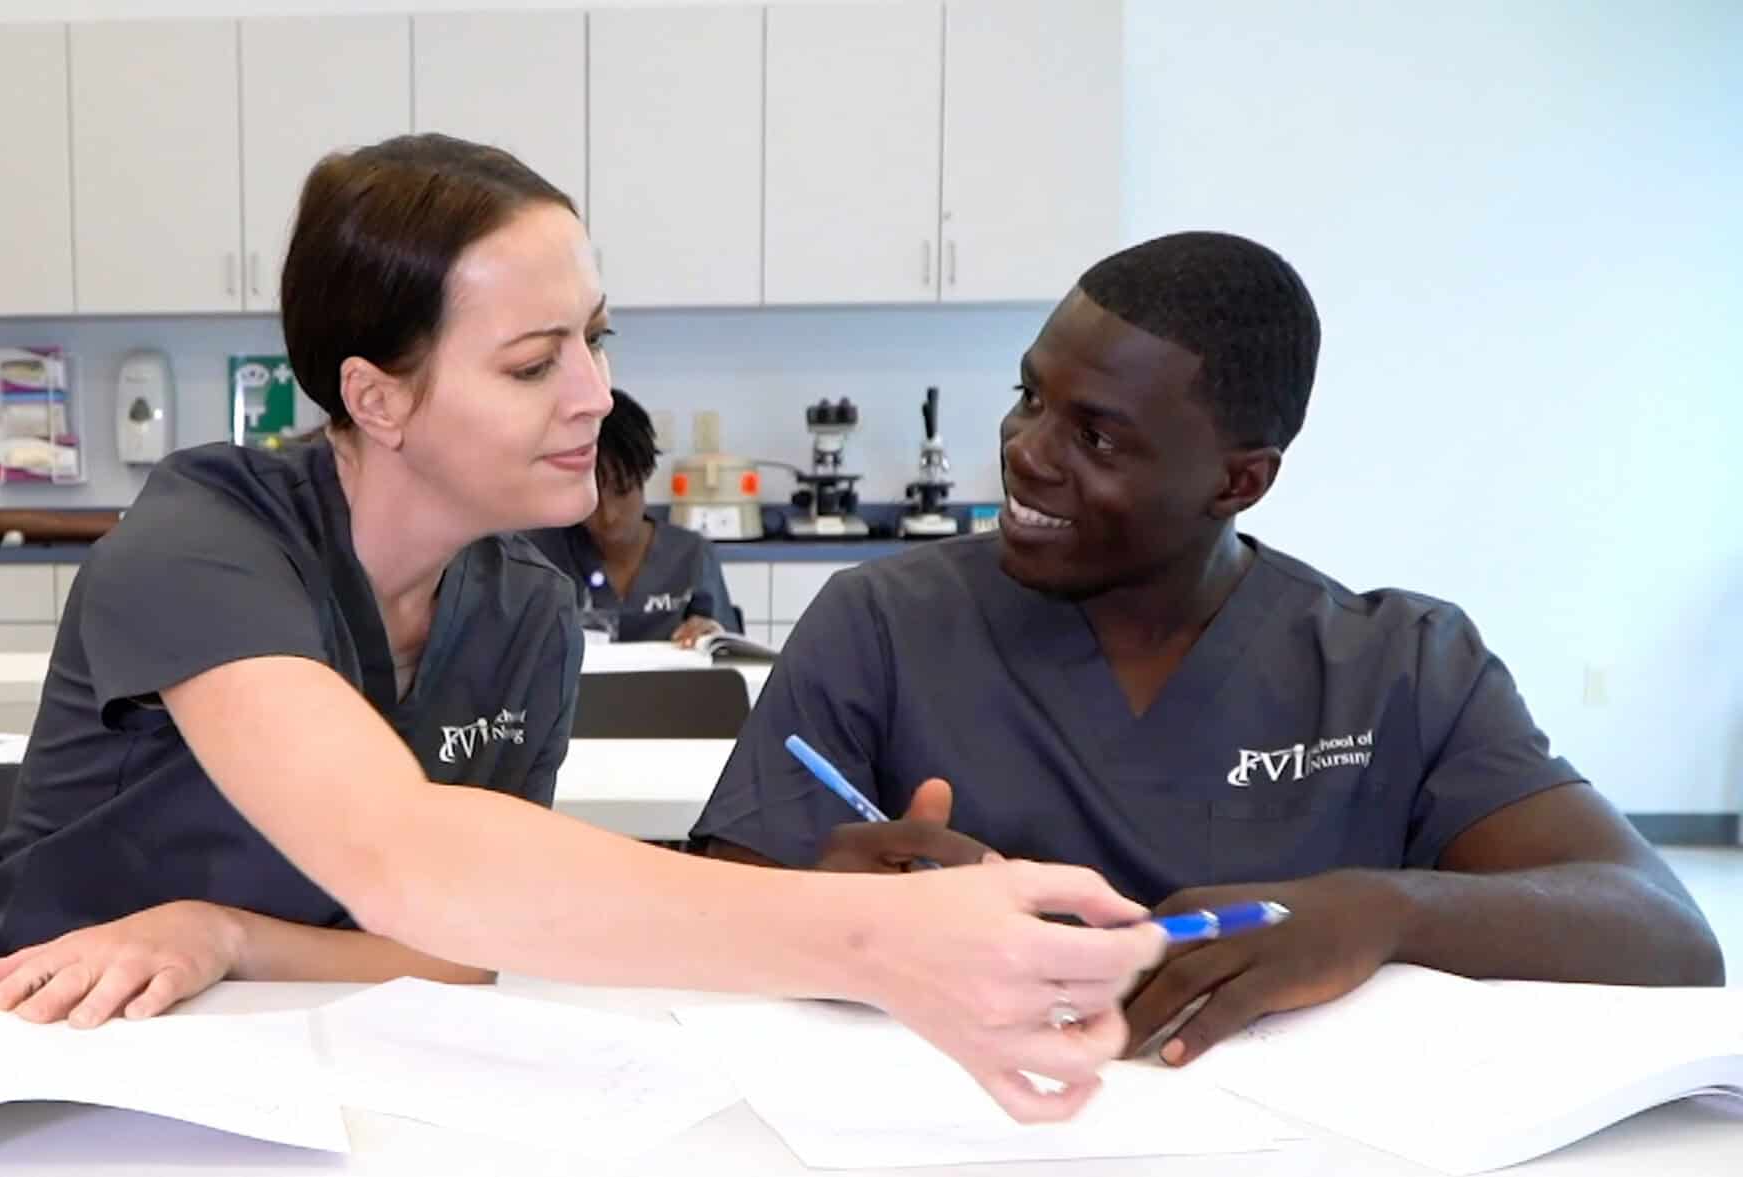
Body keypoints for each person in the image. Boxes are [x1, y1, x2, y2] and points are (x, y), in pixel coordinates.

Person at [0, 133, 1164, 1124]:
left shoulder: (526, 605)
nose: (595, 394)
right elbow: (402, 856)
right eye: (531, 363)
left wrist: (225, 935)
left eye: (595, 339)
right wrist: (875, 945)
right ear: (375, 394)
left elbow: (450, 947)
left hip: (307, 1073)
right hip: (23, 1051)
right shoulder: (203, 539)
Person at [692, 231, 1725, 1068]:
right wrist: (828, 903)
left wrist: (1378, 910)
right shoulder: (881, 622)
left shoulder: (1398, 662)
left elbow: (1664, 934)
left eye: (1094, 437)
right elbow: (706, 924)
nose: (1024, 451)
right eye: (1028, 397)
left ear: (1240, 482)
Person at [525, 388, 735, 646]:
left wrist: (711, 633)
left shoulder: (692, 556)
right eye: (593, 499)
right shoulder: (542, 558)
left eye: (622, 491)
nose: (609, 515)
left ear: (644, 475)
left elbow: (730, 653)